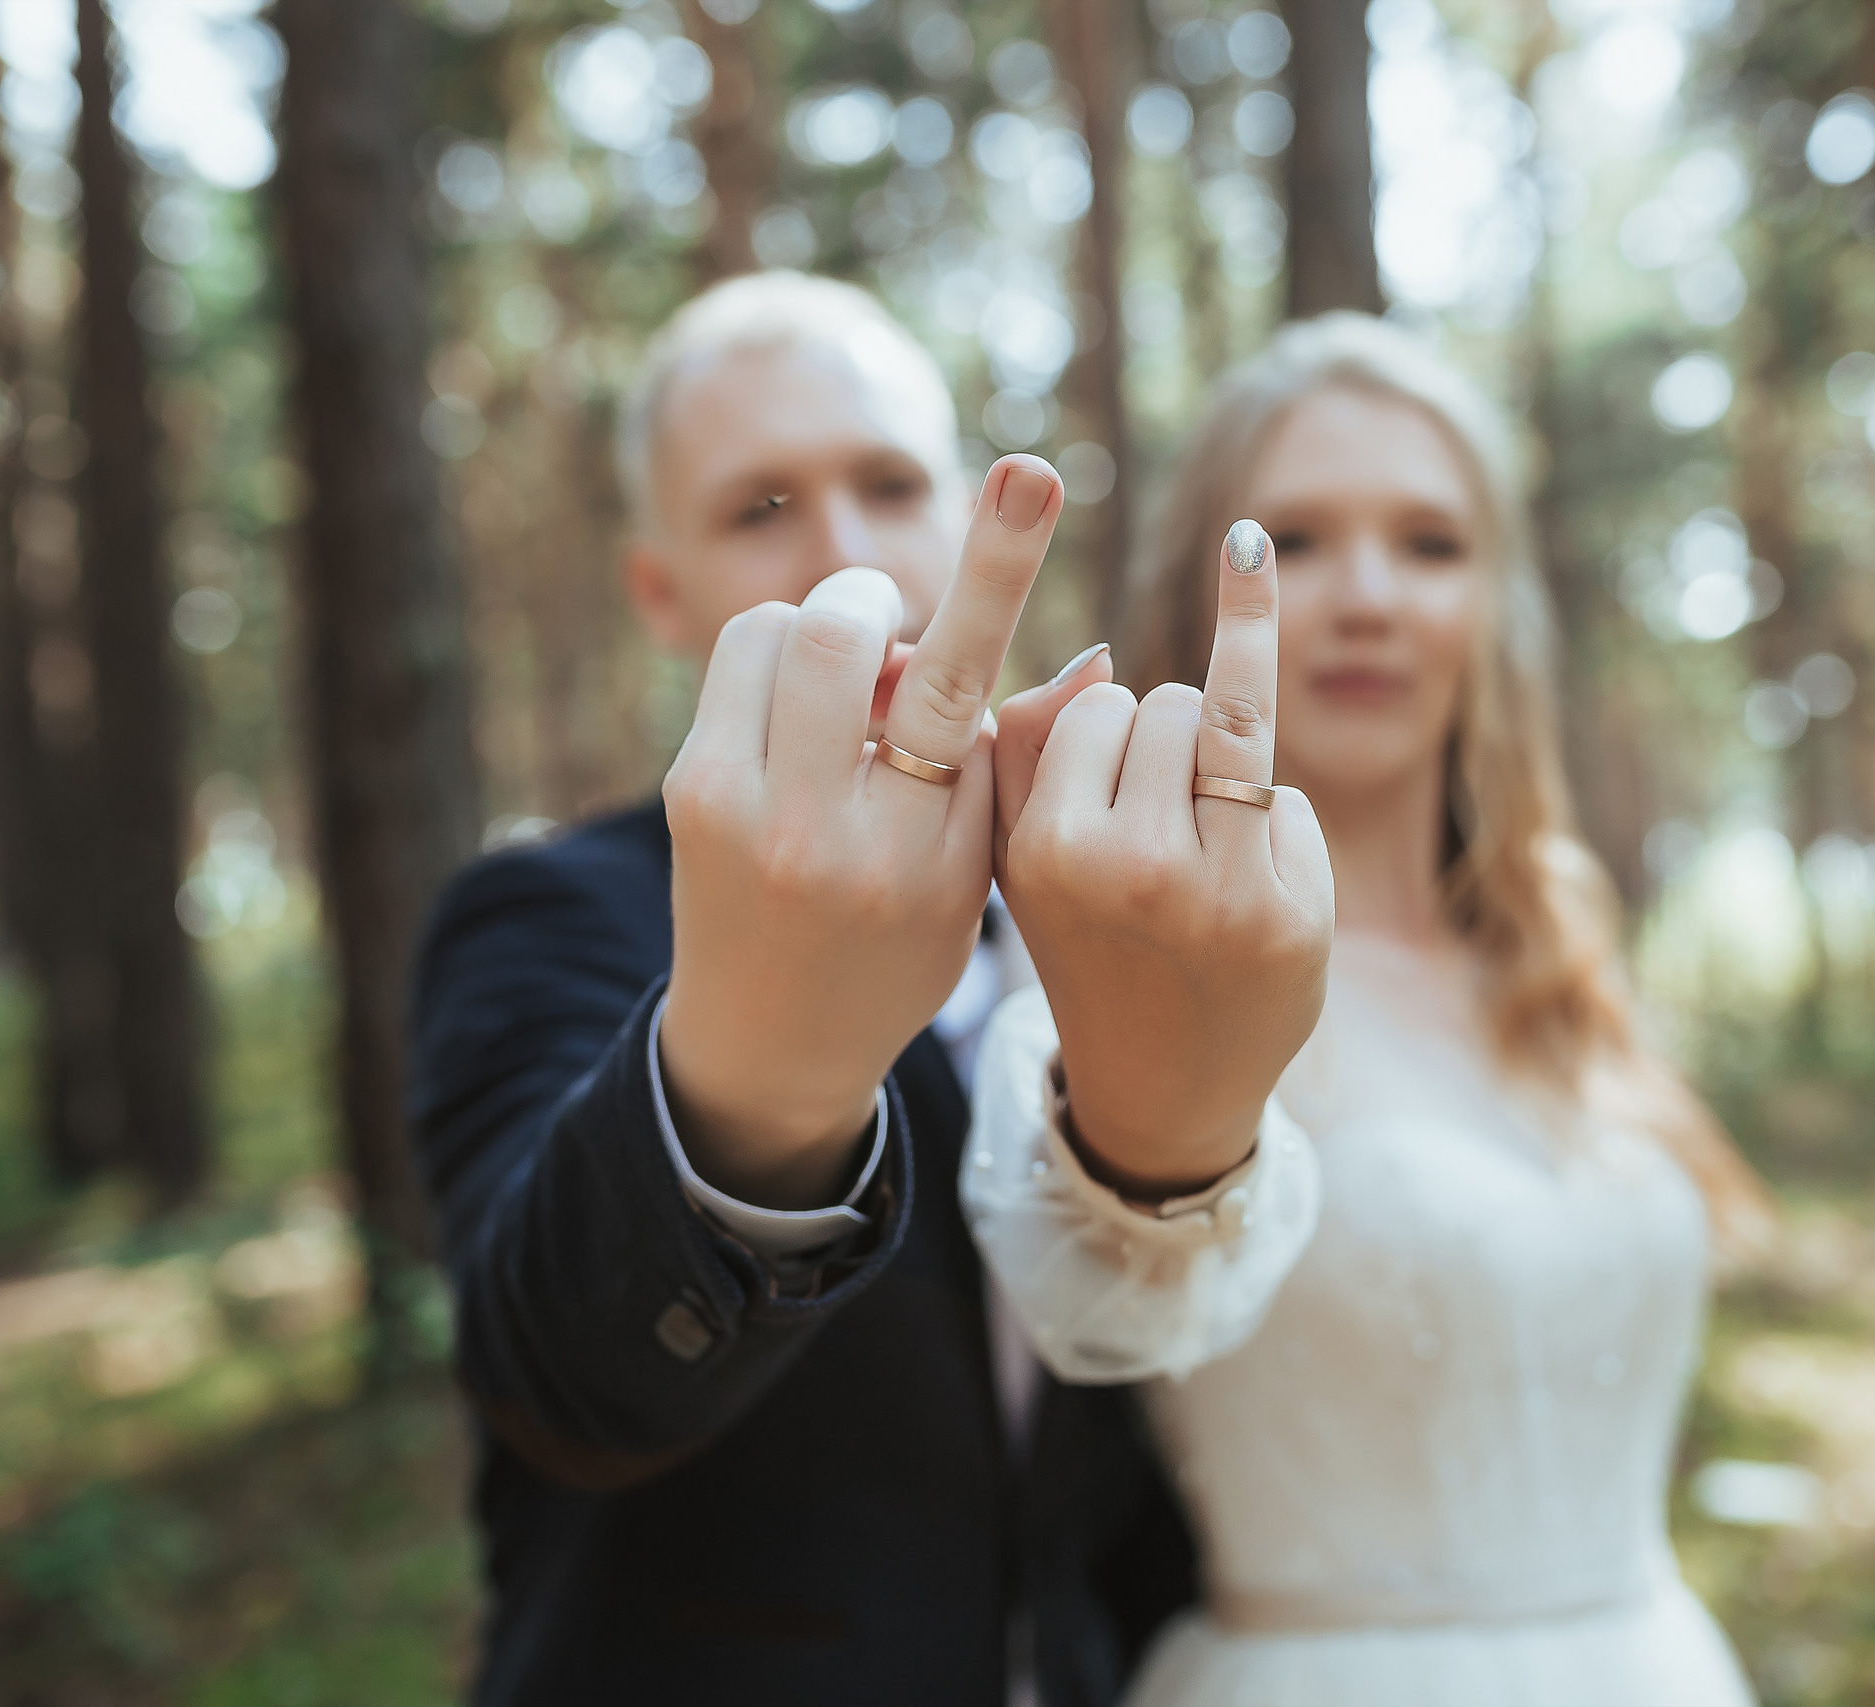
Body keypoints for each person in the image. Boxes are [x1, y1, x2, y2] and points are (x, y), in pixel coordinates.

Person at [406, 271, 1330, 1706]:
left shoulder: (1099, 908)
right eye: (758, 507)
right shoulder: (543, 914)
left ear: (965, 511)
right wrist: (762, 1074)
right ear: (659, 590)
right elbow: (557, 1381)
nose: (846, 557)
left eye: (891, 485)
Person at [968, 313, 1775, 1706]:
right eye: (1288, 540)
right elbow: (1108, 1287)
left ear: (1494, 607)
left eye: (1431, 544)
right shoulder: (1125, 971)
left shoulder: (1556, 970)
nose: (1367, 598)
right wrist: (1154, 1126)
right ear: (1197, 591)